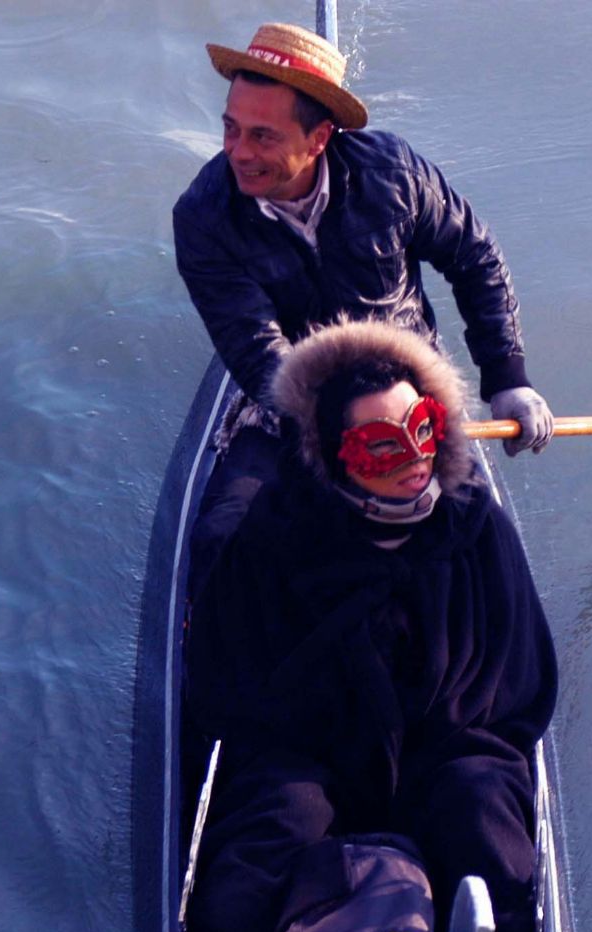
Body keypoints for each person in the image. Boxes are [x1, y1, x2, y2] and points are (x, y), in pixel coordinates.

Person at [183, 320, 557, 932]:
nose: (413, 458)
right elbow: (229, 684)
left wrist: (440, 735)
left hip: (445, 746)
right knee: (265, 834)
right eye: (380, 446)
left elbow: (513, 684)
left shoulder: (474, 528)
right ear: (334, 455)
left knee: (482, 815)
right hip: (309, 755)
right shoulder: (277, 538)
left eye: (423, 429)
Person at [173, 21, 555, 556]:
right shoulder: (203, 216)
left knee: (479, 544)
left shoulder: (393, 173)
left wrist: (507, 377)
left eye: (263, 135)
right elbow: (256, 352)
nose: (238, 152)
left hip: (409, 395)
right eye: (231, 128)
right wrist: (342, 437)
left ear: (320, 139)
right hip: (289, 402)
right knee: (222, 540)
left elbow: (475, 257)